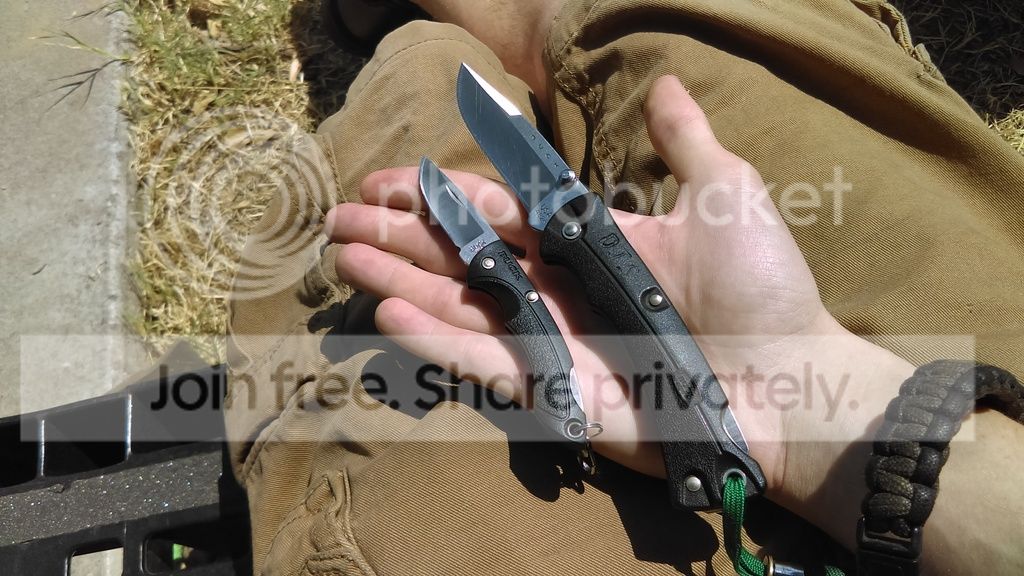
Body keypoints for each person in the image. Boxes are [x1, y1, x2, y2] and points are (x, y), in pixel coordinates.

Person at [224, 1, 1024, 574]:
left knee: (427, 79)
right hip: (955, 415)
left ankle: (429, 33)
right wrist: (813, 400)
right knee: (675, 32)